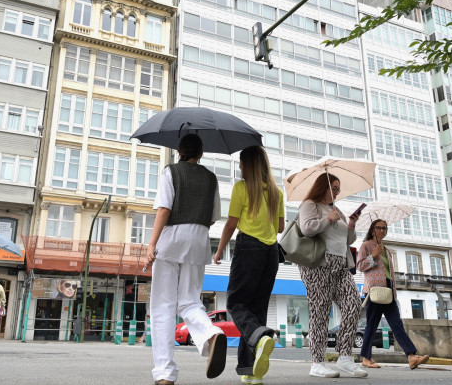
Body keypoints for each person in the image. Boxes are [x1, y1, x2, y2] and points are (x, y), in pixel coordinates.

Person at [143, 134, 227, 385]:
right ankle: (211, 333)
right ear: (200, 153)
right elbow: (213, 218)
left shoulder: (171, 172)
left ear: (180, 151)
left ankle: (165, 372)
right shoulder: (211, 178)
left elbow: (164, 209)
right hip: (199, 240)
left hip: (172, 239)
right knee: (190, 301)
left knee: (163, 306)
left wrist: (151, 244)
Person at [214, 145, 284, 385]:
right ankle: (250, 370)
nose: (240, 167)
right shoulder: (276, 192)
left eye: (242, 163)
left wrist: (220, 249)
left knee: (235, 302)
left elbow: (231, 224)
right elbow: (280, 227)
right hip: (271, 252)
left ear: (249, 165)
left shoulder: (242, 188)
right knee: (257, 310)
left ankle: (261, 336)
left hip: (249, 248)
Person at [297, 173, 367, 379]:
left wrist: (351, 224)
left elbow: (348, 239)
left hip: (341, 265)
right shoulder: (310, 205)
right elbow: (307, 229)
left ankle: (344, 357)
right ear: (323, 186)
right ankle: (316, 362)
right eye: (334, 187)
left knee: (353, 303)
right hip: (318, 265)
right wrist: (328, 219)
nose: (336, 192)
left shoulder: (338, 210)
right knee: (320, 311)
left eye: (338, 189)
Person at [357, 219, 430, 370]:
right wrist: (374, 255)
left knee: (397, 324)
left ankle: (411, 356)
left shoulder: (387, 250)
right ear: (372, 230)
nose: (382, 231)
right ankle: (366, 358)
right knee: (371, 325)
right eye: (379, 228)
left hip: (389, 291)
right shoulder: (366, 246)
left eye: (384, 228)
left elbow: (388, 273)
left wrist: (394, 291)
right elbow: (360, 266)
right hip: (375, 291)